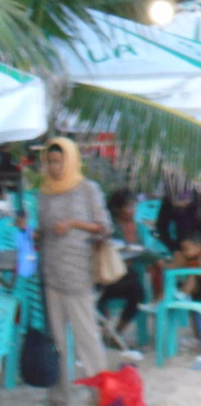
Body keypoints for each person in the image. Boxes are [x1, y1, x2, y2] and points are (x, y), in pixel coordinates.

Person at [37, 138, 111, 406]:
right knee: (57, 339)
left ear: (69, 160)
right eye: (50, 162)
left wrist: (73, 223)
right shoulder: (44, 192)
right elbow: (44, 229)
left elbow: (104, 226)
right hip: (51, 272)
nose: (54, 167)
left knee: (86, 337)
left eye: (58, 161)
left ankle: (100, 393)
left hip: (78, 271)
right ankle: (60, 394)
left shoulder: (87, 189)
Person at [97, 189, 148, 344]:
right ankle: (103, 331)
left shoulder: (138, 228)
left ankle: (117, 333)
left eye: (134, 207)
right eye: (129, 207)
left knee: (138, 291)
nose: (133, 211)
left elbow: (141, 250)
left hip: (124, 274)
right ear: (118, 209)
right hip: (106, 273)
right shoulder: (109, 226)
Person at [166, 230, 201, 348]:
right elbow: (176, 266)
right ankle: (182, 295)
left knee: (192, 276)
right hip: (197, 291)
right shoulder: (190, 259)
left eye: (187, 249)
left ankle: (183, 295)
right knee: (186, 278)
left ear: (198, 247)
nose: (185, 252)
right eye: (183, 249)